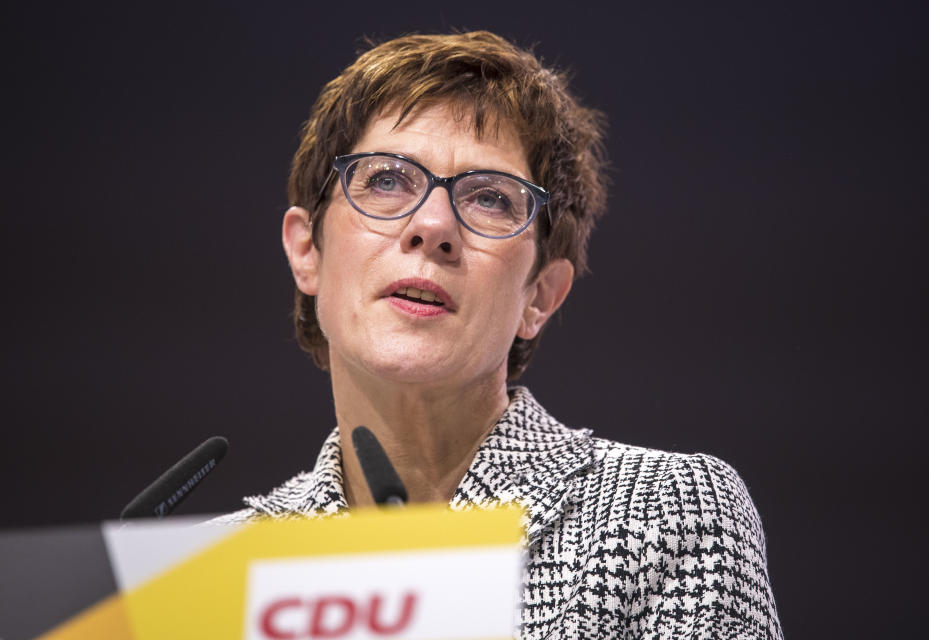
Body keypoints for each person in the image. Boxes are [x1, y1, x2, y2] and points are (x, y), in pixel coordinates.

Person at [216, 31, 782, 639]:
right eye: (386, 180)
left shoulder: (667, 517)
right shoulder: (216, 573)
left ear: (539, 295)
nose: (432, 226)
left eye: (489, 198)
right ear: (308, 251)